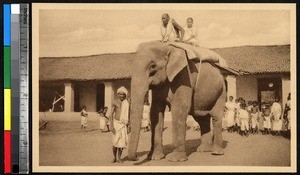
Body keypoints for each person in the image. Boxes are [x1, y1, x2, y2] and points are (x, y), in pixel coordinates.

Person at [110, 86, 130, 163]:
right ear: (118, 94)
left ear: (125, 95)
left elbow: (129, 115)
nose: (122, 96)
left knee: (122, 143)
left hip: (123, 125)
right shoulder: (115, 102)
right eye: (120, 94)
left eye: (123, 94)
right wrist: (111, 126)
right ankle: (114, 157)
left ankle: (119, 158)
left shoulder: (127, 102)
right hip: (116, 124)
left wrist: (129, 125)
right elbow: (111, 114)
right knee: (115, 142)